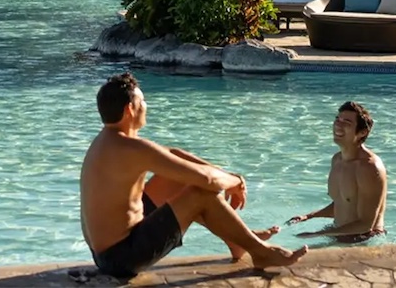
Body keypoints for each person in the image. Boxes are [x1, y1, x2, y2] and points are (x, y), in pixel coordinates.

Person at [80, 73, 306, 278]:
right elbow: (207, 181)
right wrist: (235, 182)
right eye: (143, 101)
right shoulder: (132, 148)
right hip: (120, 259)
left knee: (175, 178)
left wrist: (226, 175)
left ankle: (238, 241)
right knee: (200, 193)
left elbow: (173, 154)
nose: (146, 106)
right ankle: (261, 252)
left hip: (107, 251)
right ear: (130, 109)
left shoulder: (107, 142)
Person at [288, 102, 388, 243]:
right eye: (337, 119)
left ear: (362, 132)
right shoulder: (337, 160)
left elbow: (366, 224)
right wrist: (308, 216)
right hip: (338, 233)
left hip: (364, 240)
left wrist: (318, 234)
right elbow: (344, 203)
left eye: (346, 122)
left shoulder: (369, 168)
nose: (338, 125)